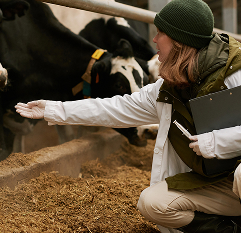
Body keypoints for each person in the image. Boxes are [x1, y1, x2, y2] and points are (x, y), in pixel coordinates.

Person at [15, 0, 241, 232]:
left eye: (160, 33)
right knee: (152, 203)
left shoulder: (235, 75)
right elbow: (116, 108)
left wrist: (218, 142)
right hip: (219, 183)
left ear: (179, 42)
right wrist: (54, 109)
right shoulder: (169, 87)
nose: (153, 40)